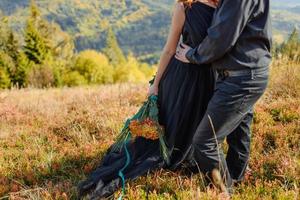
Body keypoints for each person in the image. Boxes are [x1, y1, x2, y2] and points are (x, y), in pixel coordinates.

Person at [78, 0, 218, 199]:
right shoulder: (184, 7)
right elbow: (170, 49)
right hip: (182, 77)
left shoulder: (224, 7)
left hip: (207, 79)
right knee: (174, 127)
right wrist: (155, 84)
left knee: (197, 126)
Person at [175, 0, 272, 195]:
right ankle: (236, 178)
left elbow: (221, 37)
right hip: (248, 72)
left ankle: (223, 192)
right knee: (240, 132)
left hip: (241, 77)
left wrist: (193, 55)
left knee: (205, 141)